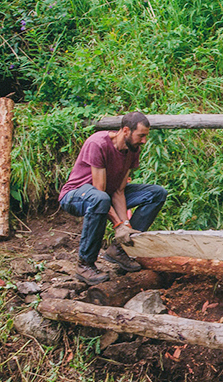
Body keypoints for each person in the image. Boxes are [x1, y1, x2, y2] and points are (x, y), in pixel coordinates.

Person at [58, 112, 167, 284]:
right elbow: (100, 191)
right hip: (76, 195)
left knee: (157, 193)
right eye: (141, 135)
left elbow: (118, 191)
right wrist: (118, 225)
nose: (144, 141)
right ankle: (84, 265)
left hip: (104, 196)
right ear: (125, 130)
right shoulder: (98, 143)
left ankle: (119, 250)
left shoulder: (133, 149)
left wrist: (126, 226)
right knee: (100, 199)